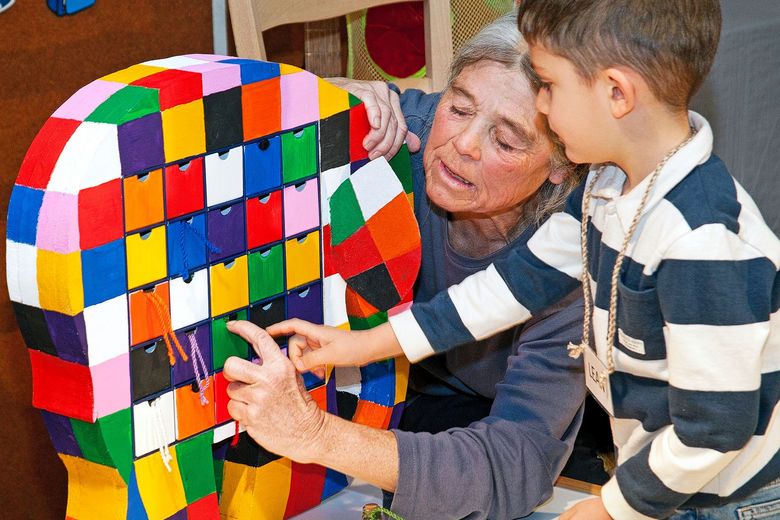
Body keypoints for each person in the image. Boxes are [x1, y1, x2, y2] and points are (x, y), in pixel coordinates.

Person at [269, 1, 780, 519]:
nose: (462, 143)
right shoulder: (608, 186)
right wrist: (365, 343)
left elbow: (716, 426)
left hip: (735, 494)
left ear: (615, 95)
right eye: (459, 108)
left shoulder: (700, 241)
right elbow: (503, 291)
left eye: (550, 88)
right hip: (664, 465)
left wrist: (614, 507)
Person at [223, 12, 592, 520]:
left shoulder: (573, 262)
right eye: (458, 108)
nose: (463, 144)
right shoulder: (409, 139)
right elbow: (237, 130)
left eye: (505, 141)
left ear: (561, 164)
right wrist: (327, 98)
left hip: (481, 418)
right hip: (376, 388)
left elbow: (517, 466)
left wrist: (313, 433)